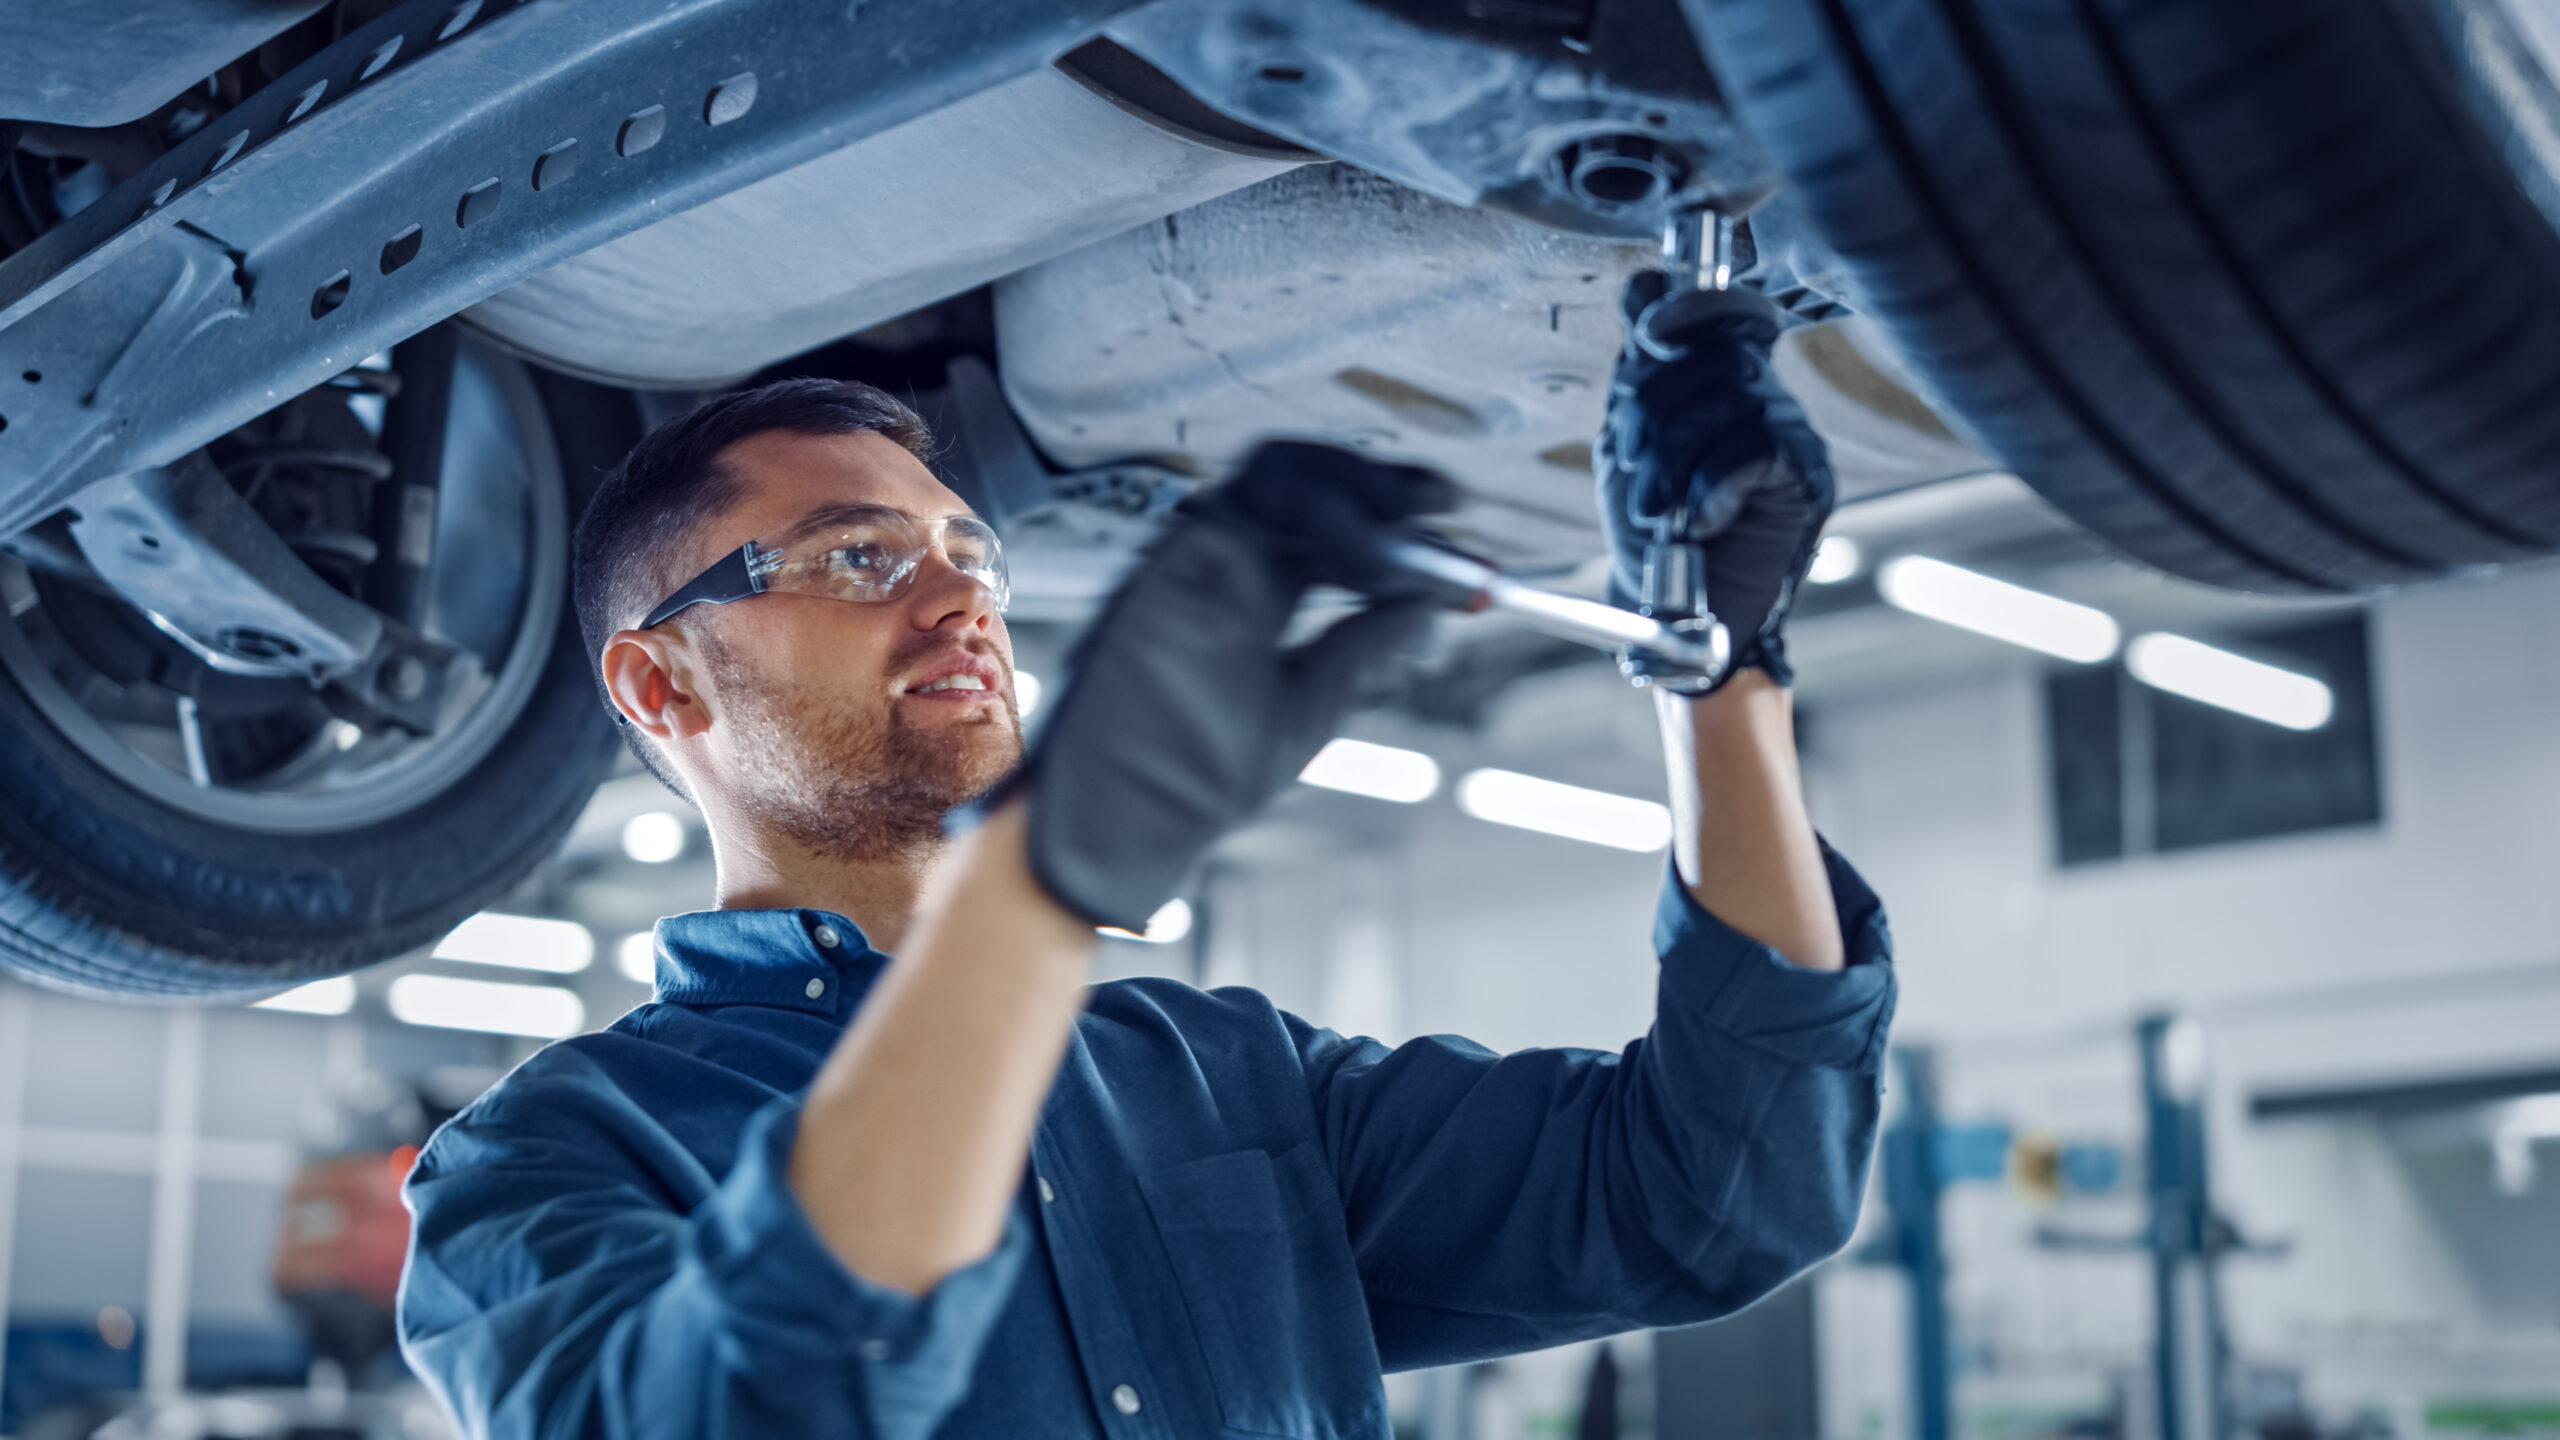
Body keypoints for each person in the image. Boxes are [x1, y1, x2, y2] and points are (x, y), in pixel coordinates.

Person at [394, 273, 1897, 1438]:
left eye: (971, 556)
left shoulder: (1226, 1078)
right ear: (661, 685)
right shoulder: (538, 1167)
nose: (959, 602)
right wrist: (1035, 892)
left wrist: (1723, 673)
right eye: (861, 558)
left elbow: (1720, 1191)